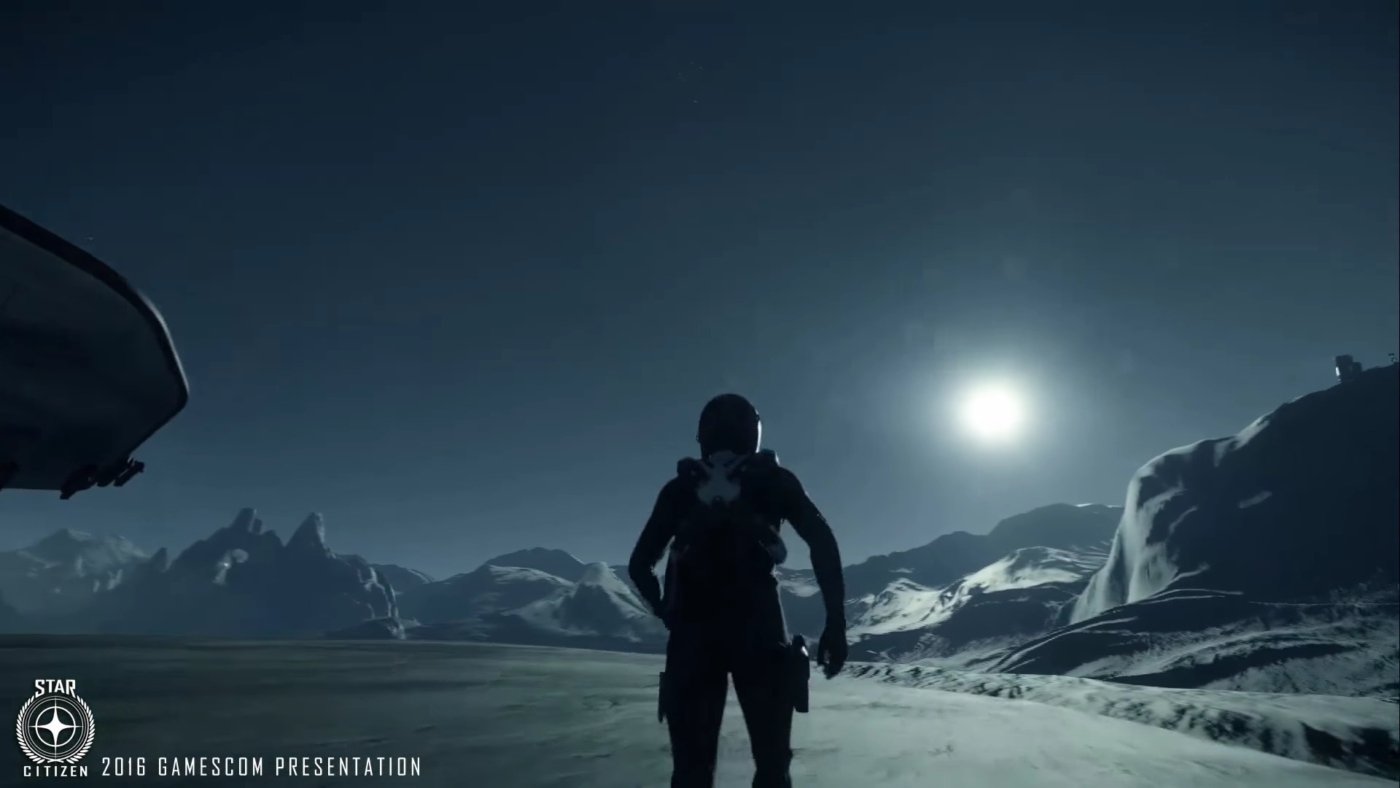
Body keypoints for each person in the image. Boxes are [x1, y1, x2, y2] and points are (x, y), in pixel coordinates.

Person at [628, 393, 848, 788]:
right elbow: (823, 542)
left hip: (692, 635)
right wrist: (836, 623)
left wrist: (666, 610)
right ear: (754, 433)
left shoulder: (680, 489)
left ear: (703, 436)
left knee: (691, 773)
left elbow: (639, 564)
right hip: (760, 630)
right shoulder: (775, 480)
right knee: (772, 768)